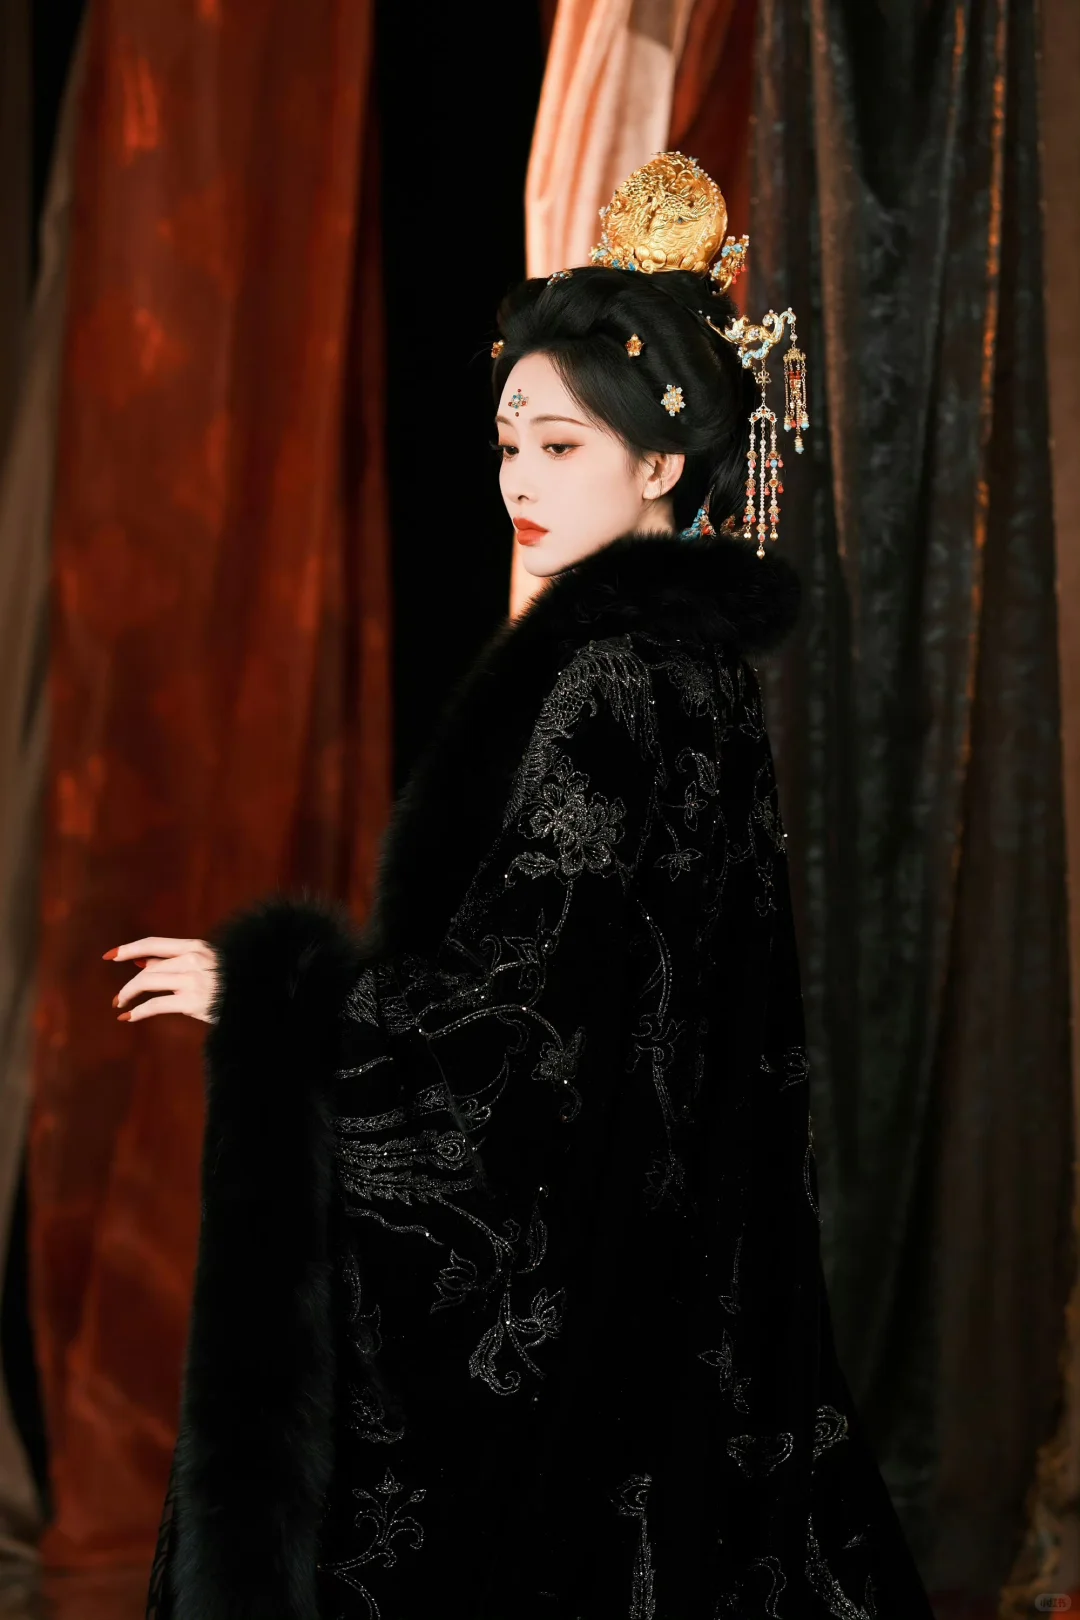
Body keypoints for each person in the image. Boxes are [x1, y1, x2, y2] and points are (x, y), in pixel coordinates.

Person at [109, 154, 934, 1618]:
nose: (517, 484)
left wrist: (280, 999)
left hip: (592, 1280)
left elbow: (524, 1008)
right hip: (671, 1262)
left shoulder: (610, 678)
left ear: (661, 465)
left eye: (560, 446)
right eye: (507, 445)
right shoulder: (700, 669)